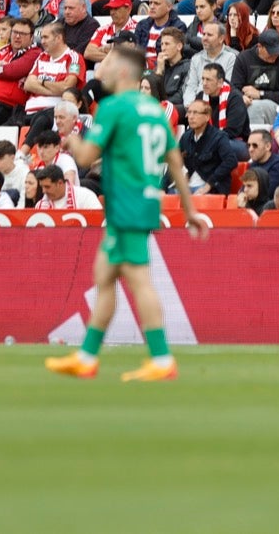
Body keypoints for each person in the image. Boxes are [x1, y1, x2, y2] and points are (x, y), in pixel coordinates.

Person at [45, 44, 208, 382]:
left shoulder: (113, 106)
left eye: (107, 62)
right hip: (142, 200)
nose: (100, 67)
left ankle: (162, 359)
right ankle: (87, 357)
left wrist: (70, 140)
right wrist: (189, 209)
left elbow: (88, 157)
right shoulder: (152, 109)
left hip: (127, 203)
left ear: (121, 72)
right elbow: (174, 160)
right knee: (105, 275)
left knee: (138, 279)